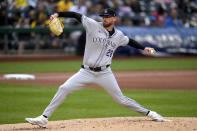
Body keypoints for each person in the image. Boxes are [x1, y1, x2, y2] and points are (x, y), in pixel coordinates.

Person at [25, 8, 167, 128]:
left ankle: (150, 113)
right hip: (85, 71)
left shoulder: (119, 36)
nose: (104, 19)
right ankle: (44, 118)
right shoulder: (92, 25)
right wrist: (57, 14)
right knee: (64, 88)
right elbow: (76, 15)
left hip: (105, 73)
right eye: (103, 17)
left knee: (121, 99)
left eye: (107, 17)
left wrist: (144, 48)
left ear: (114, 19)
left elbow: (130, 41)